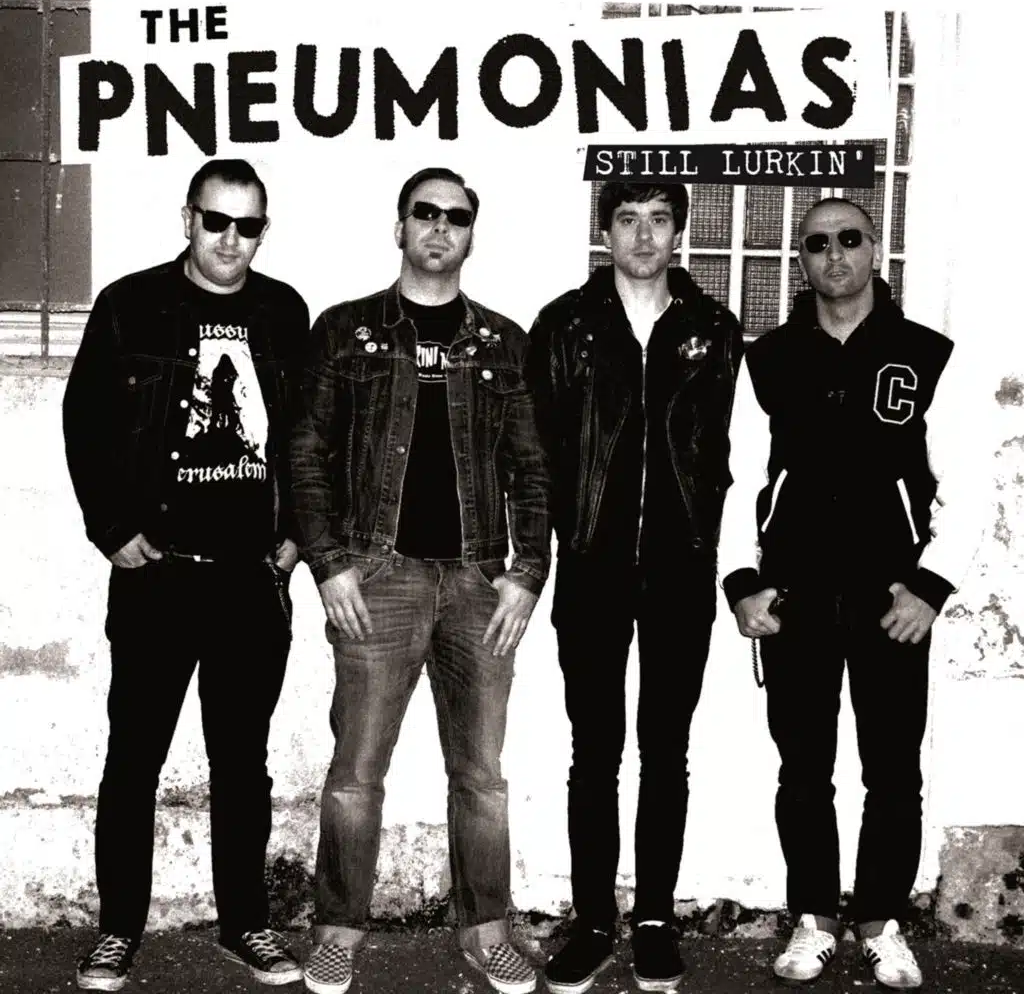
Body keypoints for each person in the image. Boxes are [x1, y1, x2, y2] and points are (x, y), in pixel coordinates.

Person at [290, 167, 551, 994]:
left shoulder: (504, 342)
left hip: (478, 583)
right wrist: (331, 564)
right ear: (399, 226)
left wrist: (526, 575)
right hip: (380, 577)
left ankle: (487, 933)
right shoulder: (345, 331)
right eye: (425, 213)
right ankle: (337, 932)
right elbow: (304, 452)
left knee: (482, 776)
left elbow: (533, 468)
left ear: (472, 234)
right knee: (356, 773)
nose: (440, 227)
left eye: (456, 217)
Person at [718, 198, 983, 990]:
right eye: (817, 244)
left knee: (893, 770)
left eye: (849, 239)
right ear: (801, 260)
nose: (834, 255)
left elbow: (967, 482)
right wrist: (743, 582)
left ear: (875, 250)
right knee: (803, 769)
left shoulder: (925, 355)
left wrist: (930, 586)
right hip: (794, 597)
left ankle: (880, 923)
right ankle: (814, 918)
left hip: (891, 600)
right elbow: (737, 477)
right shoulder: (768, 360)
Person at [63, 159, 310, 991]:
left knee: (242, 764)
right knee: (134, 758)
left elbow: (308, 436)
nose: (231, 241)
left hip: (249, 580)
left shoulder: (283, 312)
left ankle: (246, 925)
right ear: (188, 218)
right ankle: (117, 931)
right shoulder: (130, 305)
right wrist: (111, 530)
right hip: (158, 577)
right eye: (217, 222)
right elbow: (84, 421)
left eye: (248, 226)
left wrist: (295, 540)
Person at [526, 182, 743, 994]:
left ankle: (653, 919)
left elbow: (732, 449)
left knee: (667, 750)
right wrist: (547, 546)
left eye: (659, 221)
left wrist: (721, 547)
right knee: (594, 750)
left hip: (682, 567)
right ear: (606, 232)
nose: (644, 236)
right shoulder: (565, 326)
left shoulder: (713, 329)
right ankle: (592, 922)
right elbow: (538, 451)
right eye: (627, 220)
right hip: (593, 565)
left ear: (678, 232)